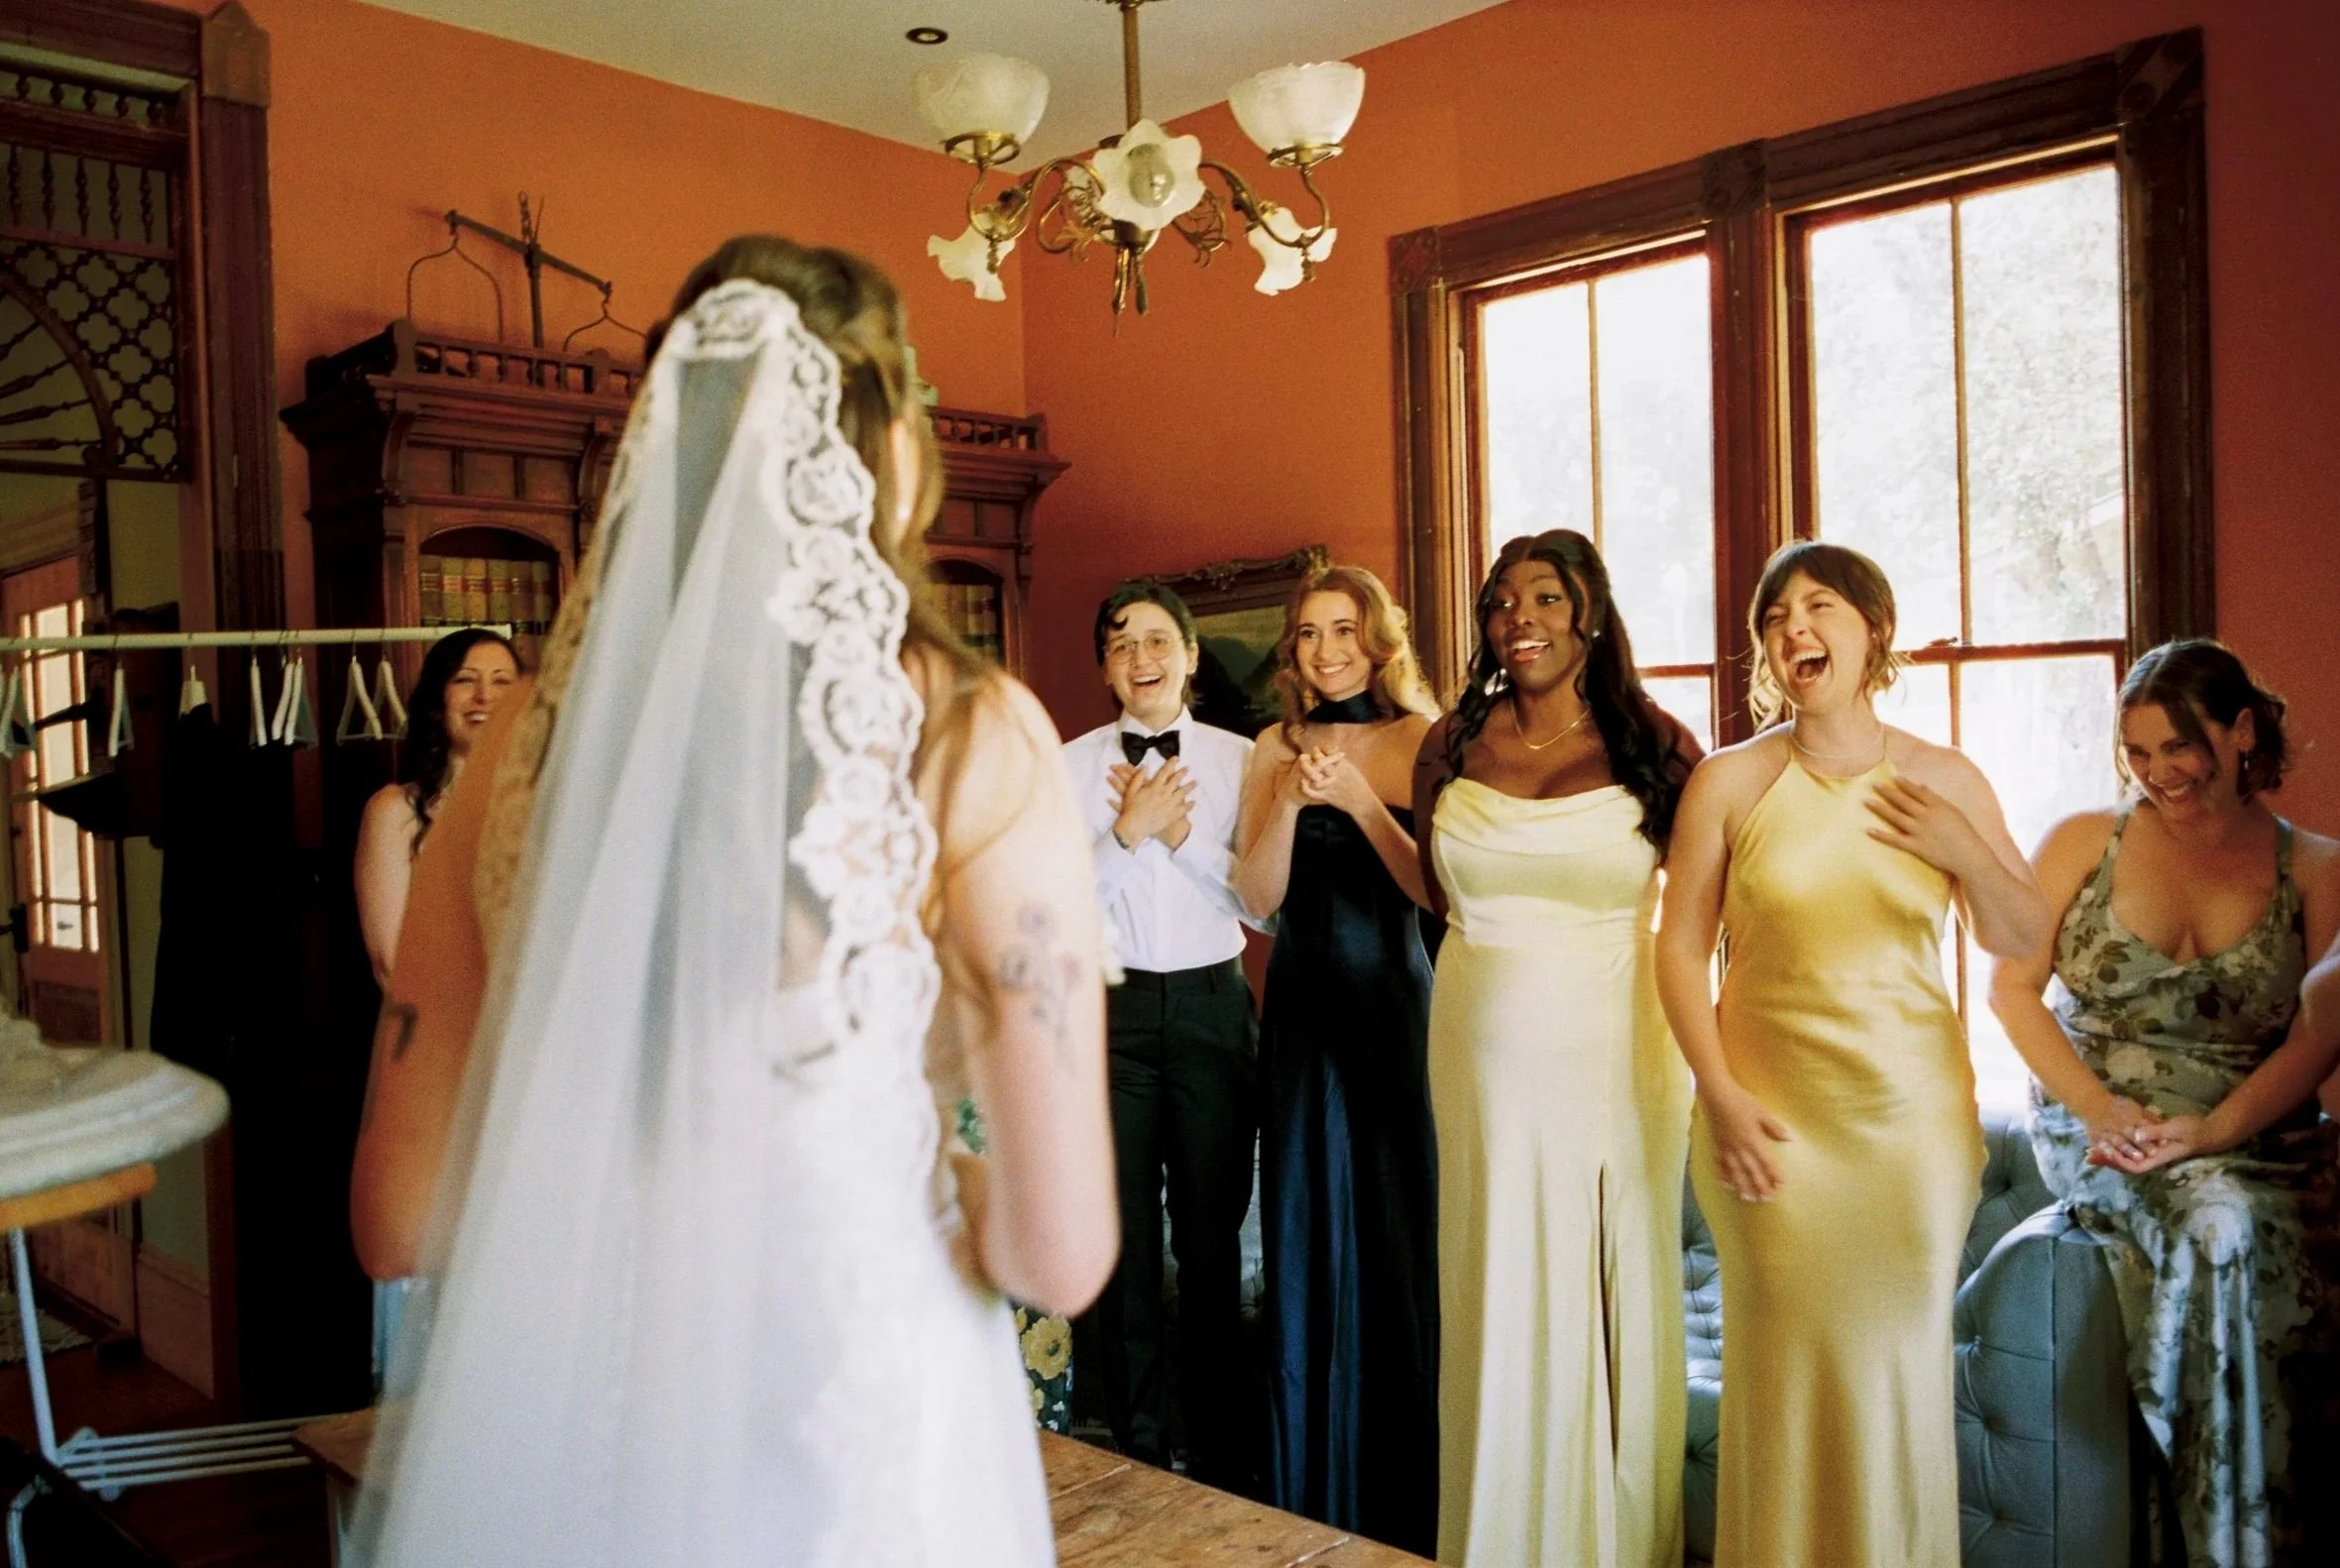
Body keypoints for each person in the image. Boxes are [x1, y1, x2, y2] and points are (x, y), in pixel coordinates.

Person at [346, 237, 1118, 1567]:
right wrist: (942, 1171)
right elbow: (1060, 1255)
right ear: (892, 454)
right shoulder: (972, 734)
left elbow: (397, 1220)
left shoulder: (517, 751)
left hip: (589, 1421)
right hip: (862, 1421)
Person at [1654, 540, 2047, 1567]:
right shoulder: (1729, 783)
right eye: (1775, 614)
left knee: (1894, 1381)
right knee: (1783, 1378)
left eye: (1818, 605)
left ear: (1874, 628)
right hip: (1767, 1135)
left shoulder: (1943, 777)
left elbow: (2017, 935)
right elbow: (1680, 948)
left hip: (1909, 1139)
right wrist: (1722, 1097)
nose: (1794, 628)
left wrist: (1964, 849)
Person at [1988, 639, 2340, 1567]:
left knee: (2246, 1211)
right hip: (2105, 1119)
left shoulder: (2313, 868)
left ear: (2239, 734)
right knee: (2215, 1221)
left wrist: (2217, 1129)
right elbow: (2011, 991)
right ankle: (2222, 1545)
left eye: (2176, 750)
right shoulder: (2077, 842)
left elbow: (2318, 1037)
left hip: (2256, 1129)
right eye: (2135, 753)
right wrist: (2100, 1110)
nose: (2155, 776)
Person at [1412, 530, 1699, 1567]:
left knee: (1607, 1274)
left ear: (1589, 616)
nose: (1518, 617)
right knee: (1492, 1277)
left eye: (1544, 596)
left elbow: (1709, 913)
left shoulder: (1657, 748)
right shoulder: (1450, 743)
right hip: (1476, 1056)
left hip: (1619, 1052)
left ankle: (1610, 1540)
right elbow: (1438, 898)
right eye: (1500, 601)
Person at [1234, 562, 1441, 1554]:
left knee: (1400, 1239)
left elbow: (1438, 895)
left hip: (1398, 1013)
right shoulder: (1271, 743)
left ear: (1377, 639)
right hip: (1303, 1017)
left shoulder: (1422, 738)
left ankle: (1412, 1495)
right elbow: (1256, 898)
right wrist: (1282, 798)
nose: (1325, 650)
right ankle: (1310, 1494)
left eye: (1343, 629)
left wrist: (1362, 801)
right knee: (1305, 1235)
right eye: (1309, 633)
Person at [1060, 579, 1258, 1486]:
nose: (1138, 660)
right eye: (1119, 645)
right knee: (1128, 1239)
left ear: (1187, 653)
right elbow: (1051, 909)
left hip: (1216, 1009)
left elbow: (1267, 911)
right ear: (1105, 667)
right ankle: (1137, 1449)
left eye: (1153, 641)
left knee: (1211, 1240)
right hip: (1115, 1015)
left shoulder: (1241, 761)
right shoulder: (1067, 767)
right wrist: (1126, 833)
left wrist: (1180, 839)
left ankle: (1217, 1448)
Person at [352, 629, 520, 988]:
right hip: (443, 1028)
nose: (484, 696)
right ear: (437, 701)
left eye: (502, 682)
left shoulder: (551, 806)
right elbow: (391, 962)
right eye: (464, 679)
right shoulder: (395, 811)